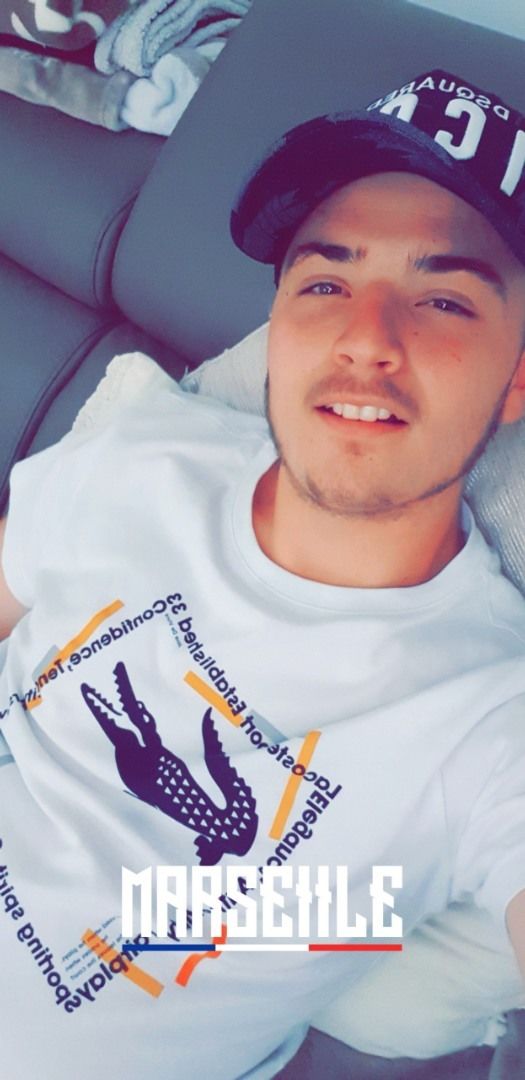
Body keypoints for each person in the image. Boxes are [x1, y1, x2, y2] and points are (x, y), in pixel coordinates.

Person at [0, 67, 524, 1080]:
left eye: (444, 299)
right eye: (324, 284)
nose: (366, 339)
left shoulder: (489, 716)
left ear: (517, 379)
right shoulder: (143, 455)